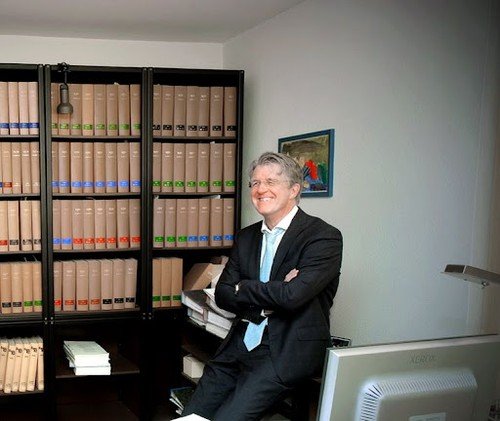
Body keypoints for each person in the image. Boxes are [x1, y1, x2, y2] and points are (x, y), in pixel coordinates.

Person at [182, 152, 343, 420]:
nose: (260, 189)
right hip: (240, 342)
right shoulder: (247, 237)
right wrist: (273, 292)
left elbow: (292, 296)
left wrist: (243, 288)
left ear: (294, 189)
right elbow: (223, 294)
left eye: (271, 182)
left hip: (286, 350)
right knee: (192, 416)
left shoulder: (323, 237)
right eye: (255, 183)